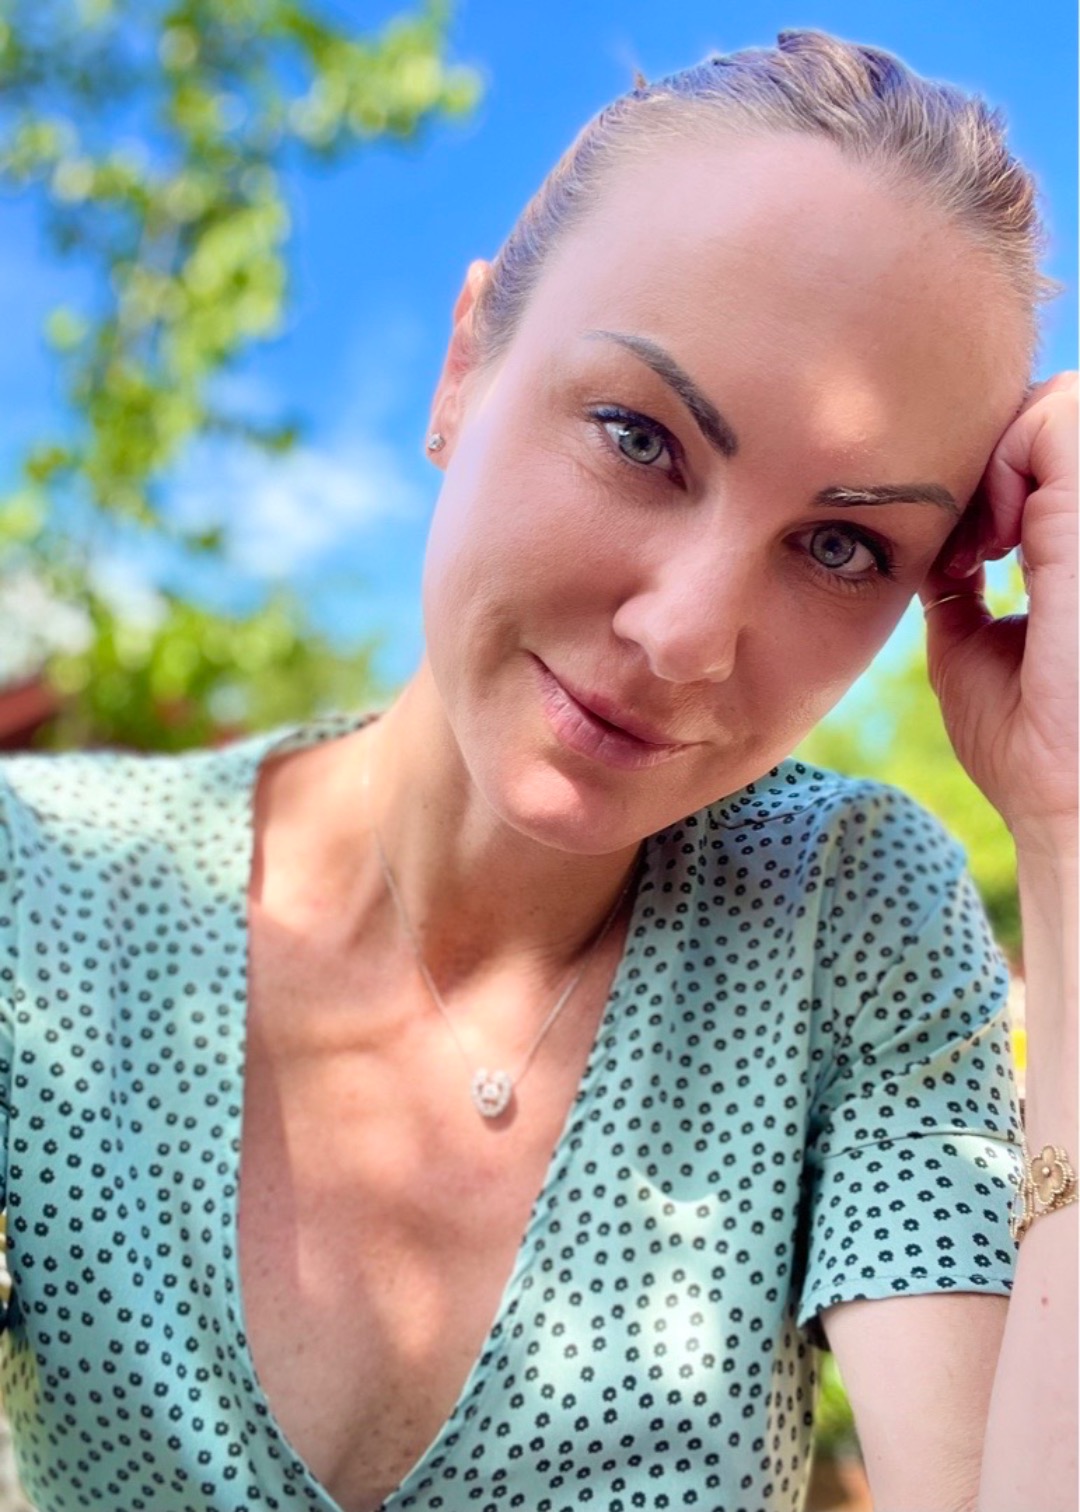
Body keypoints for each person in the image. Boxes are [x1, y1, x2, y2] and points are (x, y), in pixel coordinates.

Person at [0, 28, 1075, 1512]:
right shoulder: (42, 893)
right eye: (639, 435)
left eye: (842, 545)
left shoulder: (845, 917)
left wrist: (1069, 830)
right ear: (466, 365)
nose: (686, 636)